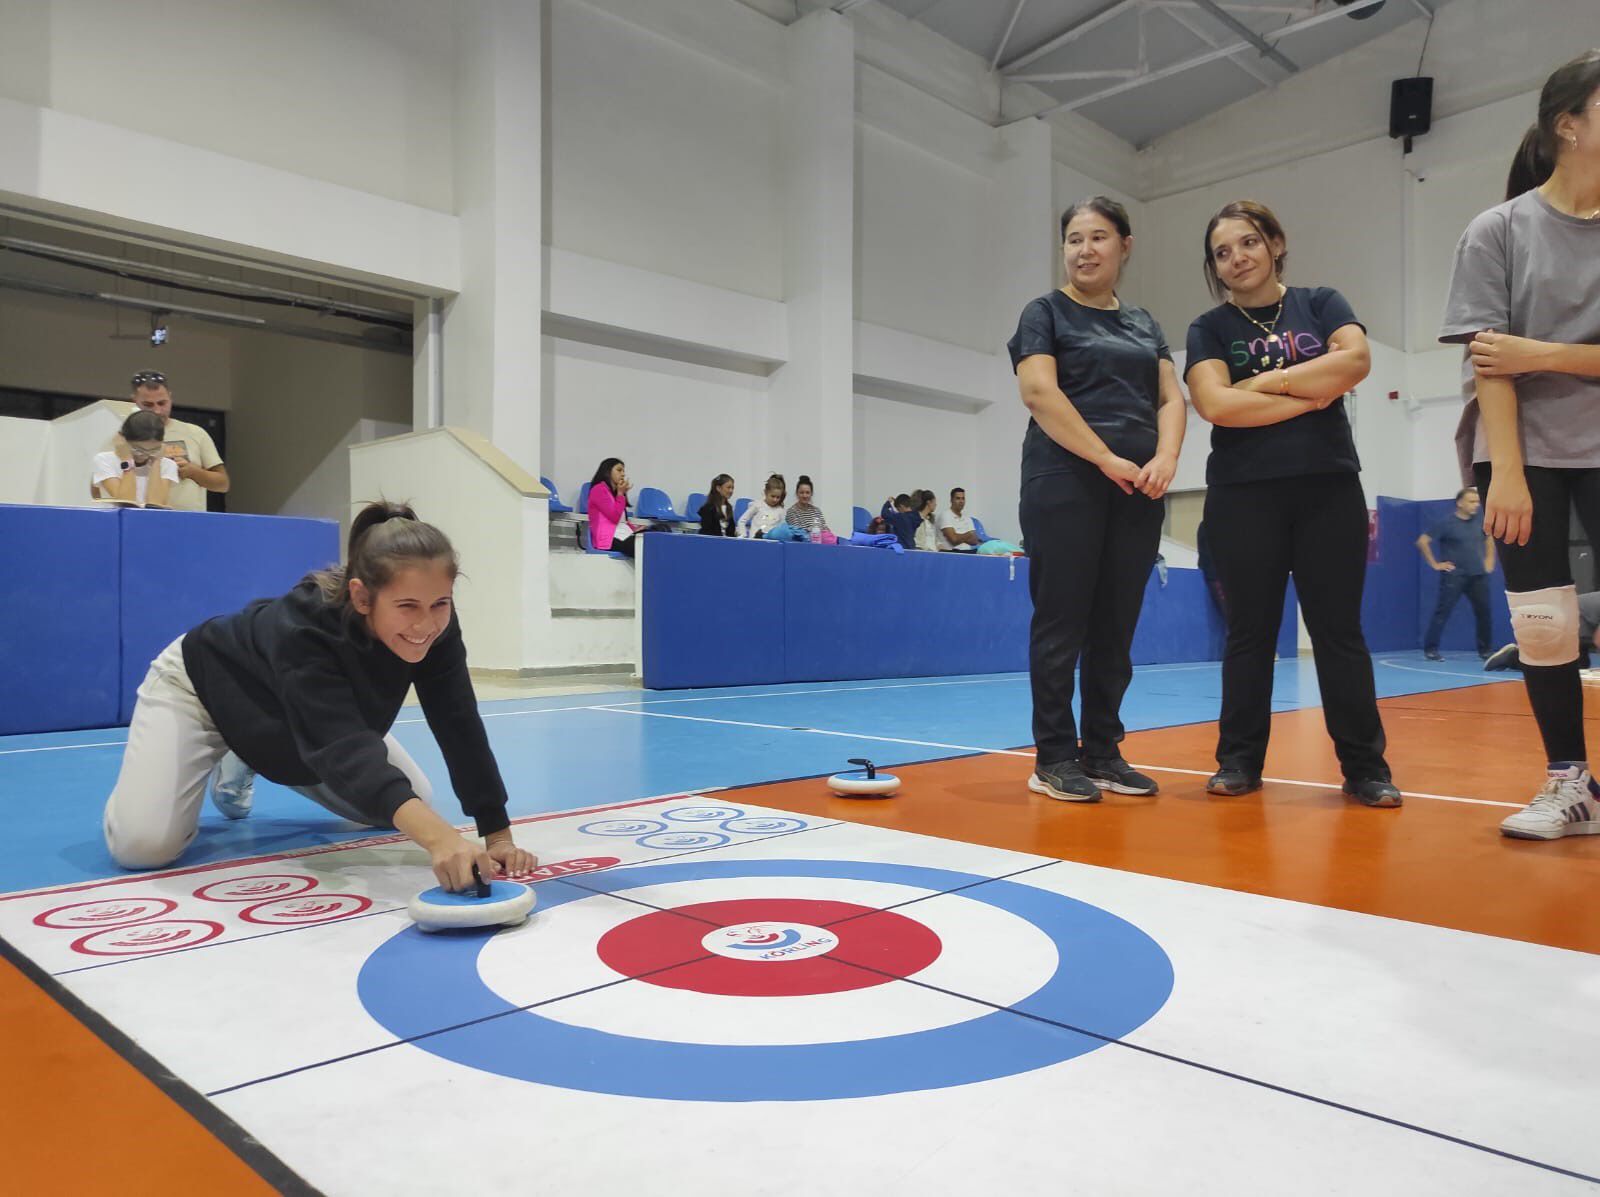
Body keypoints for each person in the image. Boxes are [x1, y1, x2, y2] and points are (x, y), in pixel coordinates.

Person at [102, 502, 538, 889]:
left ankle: (253, 749)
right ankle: (241, 744)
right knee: (143, 846)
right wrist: (442, 839)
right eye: (407, 606)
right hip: (205, 689)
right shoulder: (305, 629)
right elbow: (343, 747)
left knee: (412, 803)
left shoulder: (435, 623)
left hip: (309, 717)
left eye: (440, 603)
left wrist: (496, 832)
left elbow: (456, 718)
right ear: (362, 597)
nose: (425, 624)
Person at [1185, 199, 1399, 808]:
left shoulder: (1322, 301)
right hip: (1243, 495)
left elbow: (1355, 361)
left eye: (1248, 243)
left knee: (1339, 632)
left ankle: (1365, 768)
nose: (1236, 259)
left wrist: (1261, 382)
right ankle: (1239, 762)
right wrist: (1309, 390)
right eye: (1222, 253)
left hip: (1327, 489)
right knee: (1249, 634)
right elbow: (1217, 407)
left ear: (1275, 242)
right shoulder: (1208, 328)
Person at [1440, 50, 1600, 840]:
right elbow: (1487, 364)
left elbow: (1516, 354)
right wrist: (1505, 472)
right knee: (1543, 623)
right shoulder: (1497, 230)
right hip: (1521, 448)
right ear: (1569, 125)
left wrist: (1543, 353)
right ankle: (1571, 782)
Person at [1008, 196, 1186, 802]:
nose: (1085, 250)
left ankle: (1103, 751)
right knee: (1062, 620)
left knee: (1116, 626)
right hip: (1065, 483)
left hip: (1138, 489)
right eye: (1074, 239)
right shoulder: (1046, 313)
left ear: (1125, 245)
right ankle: (1054, 756)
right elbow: (1039, 392)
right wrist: (1106, 458)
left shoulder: (1144, 324)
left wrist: (1165, 458)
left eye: (1099, 237)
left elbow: (1170, 398)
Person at [123, 371, 228, 512]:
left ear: (170, 398)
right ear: (134, 401)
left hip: (189, 522)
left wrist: (194, 472)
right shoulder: (123, 436)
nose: (157, 411)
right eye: (148, 405)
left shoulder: (195, 433)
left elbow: (223, 484)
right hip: (143, 518)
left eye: (162, 403)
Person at [1417, 487, 1495, 660]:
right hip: (1454, 576)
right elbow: (1422, 541)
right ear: (1460, 503)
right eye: (1471, 501)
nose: (1476, 505)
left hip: (1478, 575)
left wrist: (1490, 560)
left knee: (1484, 613)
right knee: (1442, 612)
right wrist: (1435, 564)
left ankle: (1486, 651)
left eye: (1477, 501)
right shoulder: (1446, 523)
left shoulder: (1481, 521)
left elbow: (1489, 538)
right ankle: (1431, 649)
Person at [1486, 591, 1600, 672]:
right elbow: (1598, 639)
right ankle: (1512, 657)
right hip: (1561, 625)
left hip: (1574, 626)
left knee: (1581, 666)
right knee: (1565, 670)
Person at [92, 410, 179, 508]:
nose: (144, 456)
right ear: (123, 440)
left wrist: (156, 461)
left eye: (153, 449)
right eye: (138, 450)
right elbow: (126, 503)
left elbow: (155, 506)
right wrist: (127, 460)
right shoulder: (104, 460)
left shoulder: (167, 465)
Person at [587, 457, 643, 558]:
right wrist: (621, 494)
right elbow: (614, 517)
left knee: (660, 530)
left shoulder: (615, 493)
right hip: (610, 539)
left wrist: (636, 529)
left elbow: (623, 521)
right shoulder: (598, 490)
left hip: (625, 535)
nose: (623, 474)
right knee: (645, 547)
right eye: (619, 470)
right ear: (607, 471)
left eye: (623, 471)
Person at [738, 474, 788, 539]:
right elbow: (742, 521)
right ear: (765, 492)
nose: (775, 499)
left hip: (771, 543)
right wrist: (743, 535)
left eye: (778, 497)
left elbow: (782, 529)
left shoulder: (781, 511)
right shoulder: (757, 505)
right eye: (772, 496)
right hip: (755, 542)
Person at [938, 487, 981, 552]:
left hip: (968, 552)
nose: (961, 501)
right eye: (958, 498)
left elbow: (975, 541)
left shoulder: (968, 518)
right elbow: (954, 540)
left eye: (963, 498)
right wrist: (969, 534)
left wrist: (958, 536)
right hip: (951, 553)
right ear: (951, 500)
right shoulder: (945, 515)